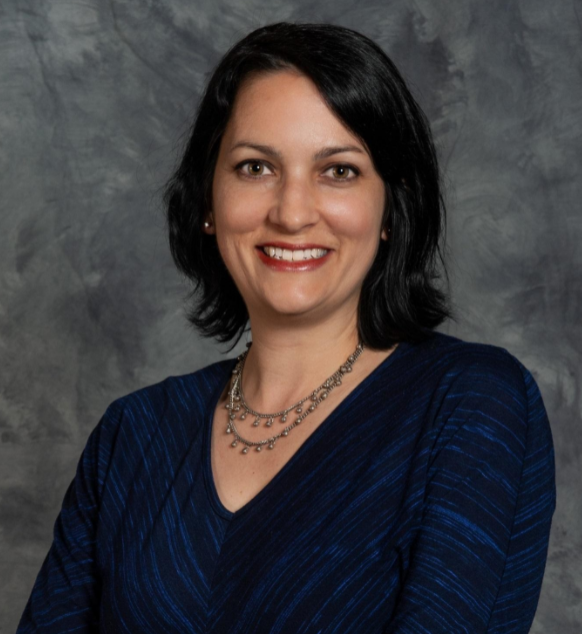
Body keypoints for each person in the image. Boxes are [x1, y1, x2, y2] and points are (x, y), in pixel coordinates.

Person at [17, 22, 555, 634]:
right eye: (255, 167)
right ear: (207, 206)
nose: (292, 212)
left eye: (339, 171)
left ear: (390, 210)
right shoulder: (132, 436)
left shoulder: (471, 403)